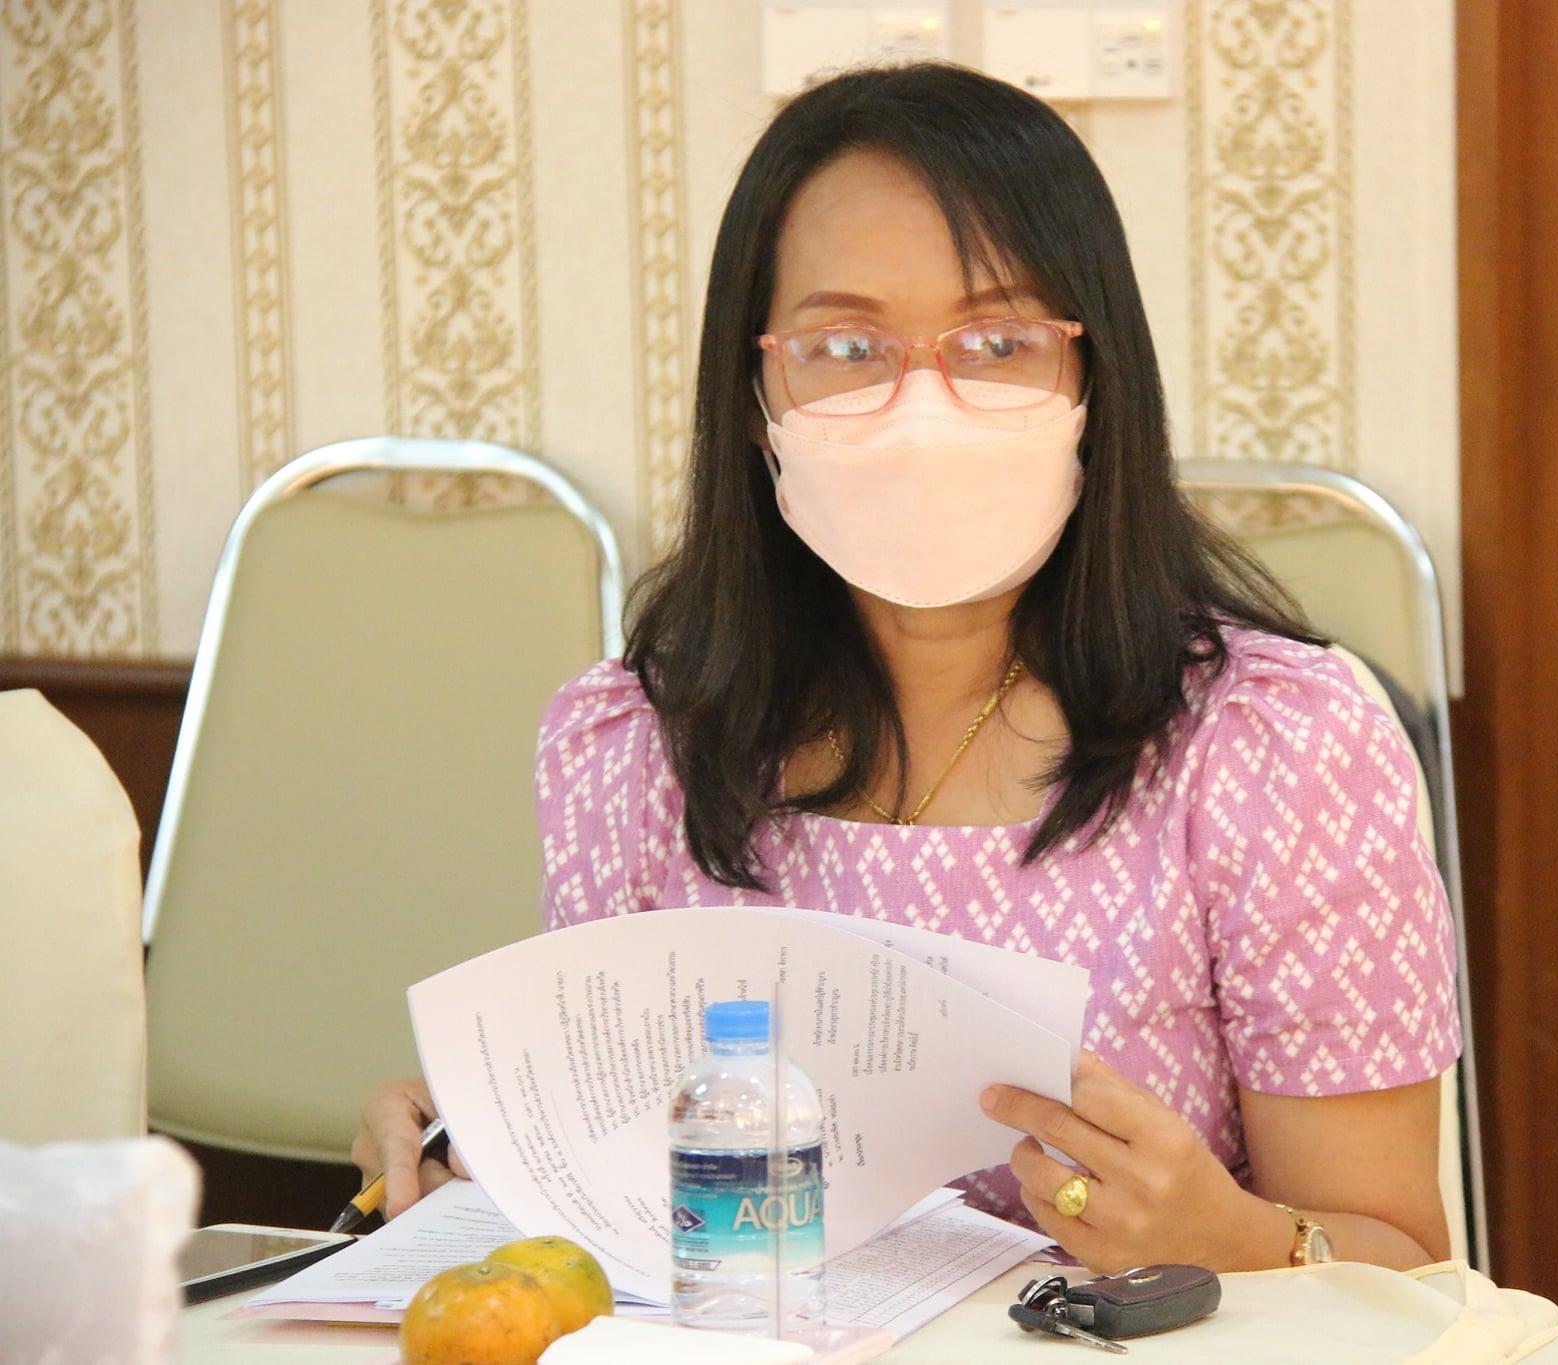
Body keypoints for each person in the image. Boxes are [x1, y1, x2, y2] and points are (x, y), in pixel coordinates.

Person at [355, 61, 1462, 1273]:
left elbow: (1400, 1261)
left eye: (997, 341)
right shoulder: (633, 745)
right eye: (845, 345)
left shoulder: (1277, 747)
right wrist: (487, 1147)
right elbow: (638, 1200)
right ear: (754, 394)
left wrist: (1231, 1239)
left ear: (1094, 378)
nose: (921, 407)